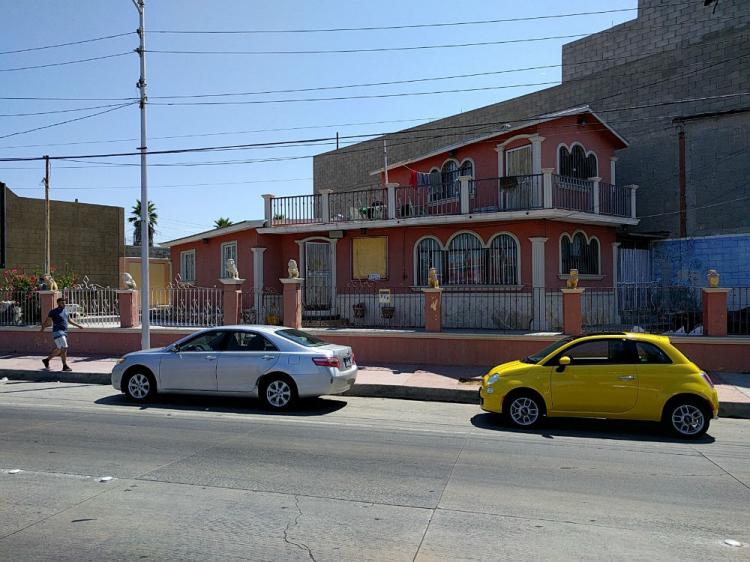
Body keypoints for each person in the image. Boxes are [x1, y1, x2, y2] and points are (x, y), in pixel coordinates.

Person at [40, 297, 83, 371]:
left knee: (60, 349)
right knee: (65, 347)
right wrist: (43, 328)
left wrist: (78, 325)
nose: (64, 304)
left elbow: (69, 320)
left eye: (64, 302)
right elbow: (48, 322)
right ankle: (64, 365)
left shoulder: (66, 311)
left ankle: (47, 360)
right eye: (62, 302)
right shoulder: (53, 312)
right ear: (58, 303)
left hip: (64, 332)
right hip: (57, 332)